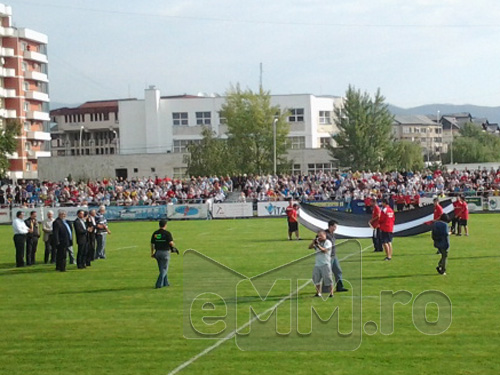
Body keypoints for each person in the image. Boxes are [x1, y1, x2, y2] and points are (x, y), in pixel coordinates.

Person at [150, 219, 176, 289]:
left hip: (157, 252)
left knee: (161, 268)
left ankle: (165, 282)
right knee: (164, 269)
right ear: (165, 225)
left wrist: (152, 253)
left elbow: (152, 244)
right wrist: (173, 246)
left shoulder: (156, 233)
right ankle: (158, 284)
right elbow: (171, 243)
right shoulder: (167, 233)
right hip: (165, 252)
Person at [325, 220, 348, 292]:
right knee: (327, 273)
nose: (335, 228)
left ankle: (340, 287)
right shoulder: (325, 234)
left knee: (338, 271)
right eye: (334, 226)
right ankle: (325, 289)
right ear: (330, 226)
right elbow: (317, 241)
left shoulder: (332, 234)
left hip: (334, 256)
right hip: (327, 257)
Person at [309, 230, 333, 297]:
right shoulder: (318, 242)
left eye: (321, 236)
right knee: (316, 279)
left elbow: (324, 251)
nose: (320, 237)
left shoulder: (328, 242)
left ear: (325, 235)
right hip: (317, 264)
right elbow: (309, 247)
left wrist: (318, 245)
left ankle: (331, 293)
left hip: (325, 263)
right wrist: (313, 242)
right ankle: (318, 293)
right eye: (319, 235)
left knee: (328, 279)